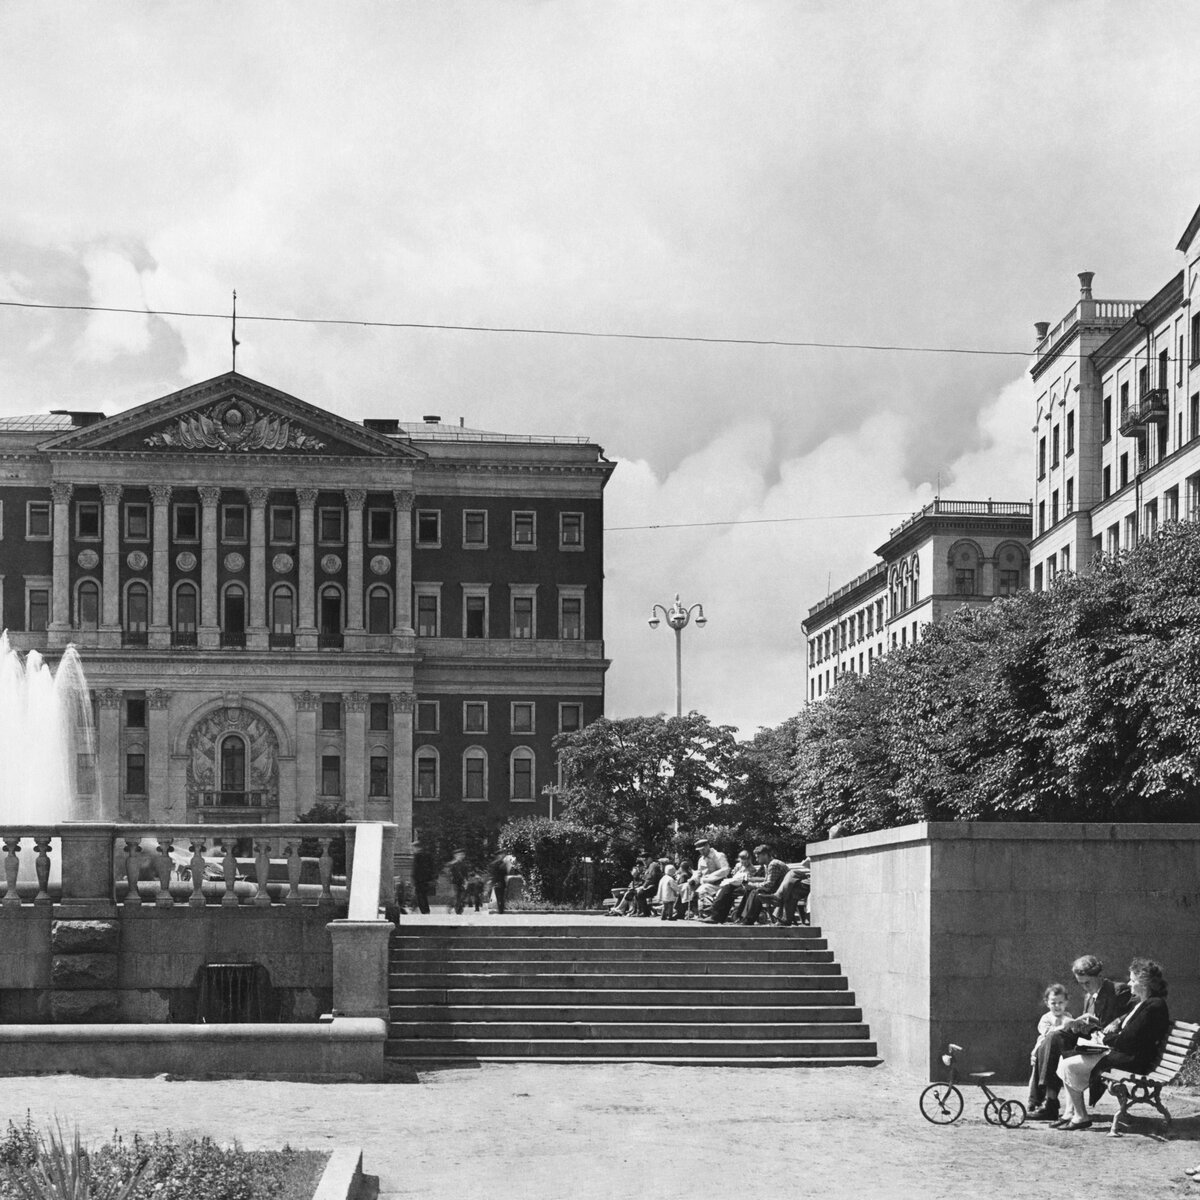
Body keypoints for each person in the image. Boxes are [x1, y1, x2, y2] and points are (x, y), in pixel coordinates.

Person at [1053, 957, 1170, 1131]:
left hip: (1132, 1060)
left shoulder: (1154, 1006)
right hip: (1125, 1054)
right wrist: (1103, 1036)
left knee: (1069, 1065)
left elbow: (1128, 1040)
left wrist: (1103, 1038)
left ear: (1144, 983)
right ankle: (1071, 1113)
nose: (1129, 984)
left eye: (1132, 980)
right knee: (1065, 1059)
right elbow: (1128, 1037)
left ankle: (1081, 1117)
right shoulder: (1145, 1003)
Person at [1028, 953, 1131, 1121]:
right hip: (1089, 1040)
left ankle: (1048, 1102)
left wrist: (1116, 1021)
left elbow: (1135, 1012)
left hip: (1106, 1046)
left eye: (1087, 983)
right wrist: (1078, 1023)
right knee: (1052, 1038)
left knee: (1054, 1042)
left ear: (1099, 976)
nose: (1084, 987)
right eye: (1081, 983)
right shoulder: (1089, 996)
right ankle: (1049, 1102)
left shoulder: (1118, 990)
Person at [1027, 983, 1074, 1114]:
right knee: (1035, 1075)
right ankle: (1033, 1101)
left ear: (1066, 1002)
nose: (1057, 1006)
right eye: (1053, 1003)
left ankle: (1051, 1101)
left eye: (1061, 1002)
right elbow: (1048, 1035)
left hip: (1060, 1053)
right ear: (1047, 1003)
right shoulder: (1046, 1018)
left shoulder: (1068, 1017)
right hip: (1043, 1052)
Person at [739, 845, 792, 925]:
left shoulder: (773, 864)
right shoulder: (768, 864)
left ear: (765, 855)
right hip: (777, 889)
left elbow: (769, 884)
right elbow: (767, 881)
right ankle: (743, 917)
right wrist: (751, 883)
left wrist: (752, 885)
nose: (756, 859)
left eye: (758, 857)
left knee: (756, 892)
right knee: (750, 890)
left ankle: (748, 919)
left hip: (783, 892)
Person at [701, 849, 757, 924]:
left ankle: (715, 911)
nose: (743, 862)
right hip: (735, 886)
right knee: (728, 893)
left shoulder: (752, 869)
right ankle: (717, 917)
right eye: (741, 860)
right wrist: (735, 872)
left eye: (745, 860)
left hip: (744, 887)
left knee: (727, 888)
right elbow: (733, 876)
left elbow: (749, 880)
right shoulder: (739, 866)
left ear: (749, 859)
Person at [692, 838, 730, 917]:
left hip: (720, 884)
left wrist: (709, 877)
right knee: (695, 889)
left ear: (707, 846)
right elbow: (699, 873)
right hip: (707, 884)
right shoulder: (701, 860)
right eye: (700, 850)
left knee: (703, 889)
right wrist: (693, 879)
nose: (702, 852)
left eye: (703, 849)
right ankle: (703, 912)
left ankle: (712, 913)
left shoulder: (719, 856)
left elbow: (725, 870)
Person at [411, 839, 437, 915]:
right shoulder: (428, 855)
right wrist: (432, 878)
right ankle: (424, 909)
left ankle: (424, 910)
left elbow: (416, 869)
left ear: (417, 847)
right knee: (423, 895)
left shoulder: (417, 856)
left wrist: (414, 878)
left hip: (419, 879)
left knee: (420, 895)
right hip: (426, 879)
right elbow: (432, 867)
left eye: (413, 848)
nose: (413, 850)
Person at [446, 849, 470, 915]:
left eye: (462, 855)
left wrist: (466, 882)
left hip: (461, 883)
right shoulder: (451, 864)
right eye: (459, 855)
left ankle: (459, 910)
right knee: (456, 896)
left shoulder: (464, 865)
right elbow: (449, 874)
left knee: (462, 897)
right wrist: (451, 881)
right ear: (455, 856)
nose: (461, 856)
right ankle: (452, 907)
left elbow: (466, 875)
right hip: (454, 883)